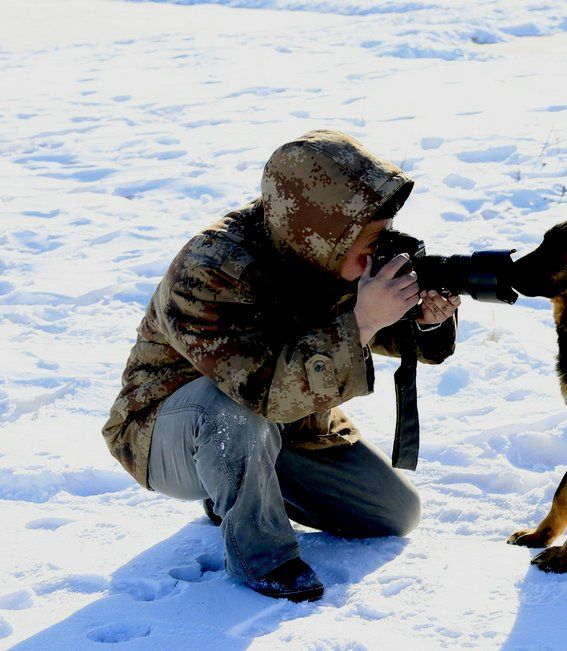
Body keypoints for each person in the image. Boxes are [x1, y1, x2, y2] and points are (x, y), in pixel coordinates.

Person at [101, 131, 460, 602]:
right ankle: (263, 557)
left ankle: (243, 484)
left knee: (393, 512)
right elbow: (261, 391)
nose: (378, 250)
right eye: (372, 238)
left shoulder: (323, 249)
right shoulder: (211, 268)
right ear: (326, 230)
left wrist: (423, 319)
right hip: (168, 431)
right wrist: (363, 320)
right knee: (229, 410)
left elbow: (371, 331)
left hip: (286, 421)